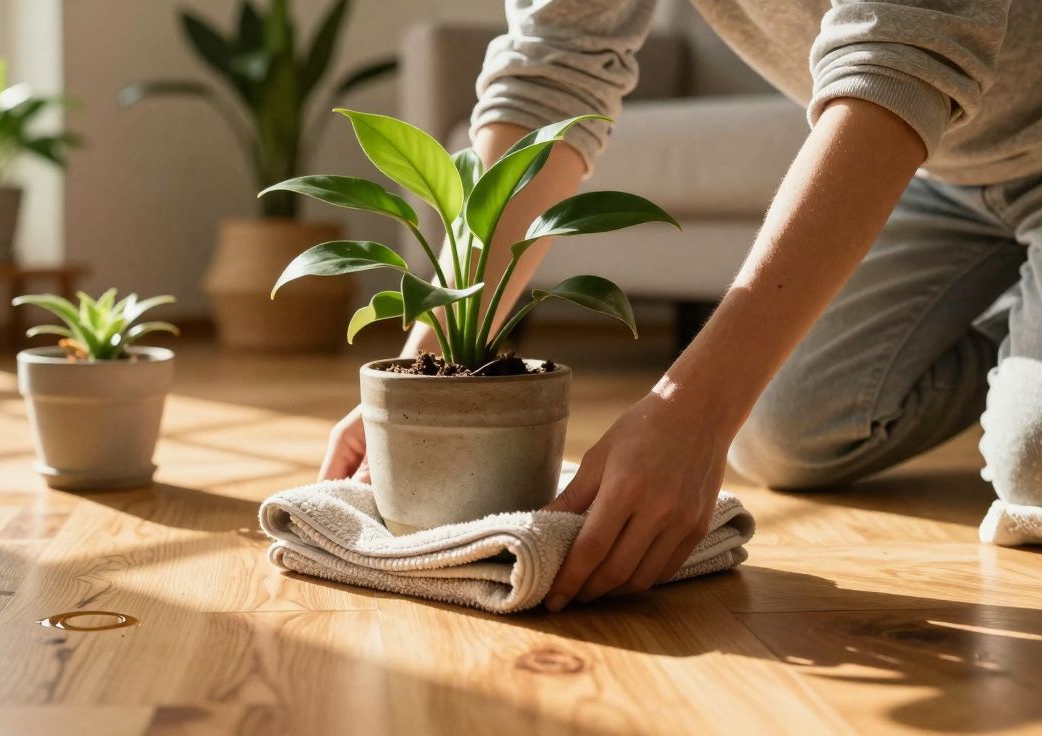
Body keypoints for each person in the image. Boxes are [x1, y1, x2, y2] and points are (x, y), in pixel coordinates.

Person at [318, 0, 1042, 611]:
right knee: (787, 435)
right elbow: (552, 64)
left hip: (938, 118)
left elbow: (902, 53)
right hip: (938, 168)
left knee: (1030, 458)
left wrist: (694, 412)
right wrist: (435, 353)